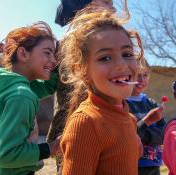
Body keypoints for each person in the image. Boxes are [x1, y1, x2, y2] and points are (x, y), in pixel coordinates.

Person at [58, 9, 144, 174]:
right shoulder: (86, 123)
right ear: (81, 71)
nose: (121, 65)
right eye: (105, 58)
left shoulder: (129, 118)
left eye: (127, 54)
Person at [47, 1, 123, 173]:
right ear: (91, 6)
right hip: (77, 132)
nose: (114, 9)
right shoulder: (74, 43)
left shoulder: (105, 39)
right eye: (107, 2)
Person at [0, 21, 60, 175]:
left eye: (55, 55)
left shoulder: (6, 85)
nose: (54, 60)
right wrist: (50, 148)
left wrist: (57, 67)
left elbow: (47, 86)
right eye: (47, 53)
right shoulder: (21, 95)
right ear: (23, 54)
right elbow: (6, 155)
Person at [126, 58, 165, 175]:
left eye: (145, 75)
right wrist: (147, 122)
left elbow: (163, 133)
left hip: (154, 164)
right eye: (137, 75)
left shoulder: (152, 103)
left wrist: (145, 136)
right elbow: (128, 136)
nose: (141, 80)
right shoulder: (123, 104)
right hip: (132, 165)